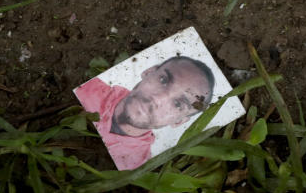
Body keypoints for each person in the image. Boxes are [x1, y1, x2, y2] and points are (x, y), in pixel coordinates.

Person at [75, 55, 215, 170]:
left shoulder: (136, 166)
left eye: (178, 104)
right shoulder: (86, 88)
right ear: (148, 72)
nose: (156, 99)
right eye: (163, 79)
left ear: (178, 121)